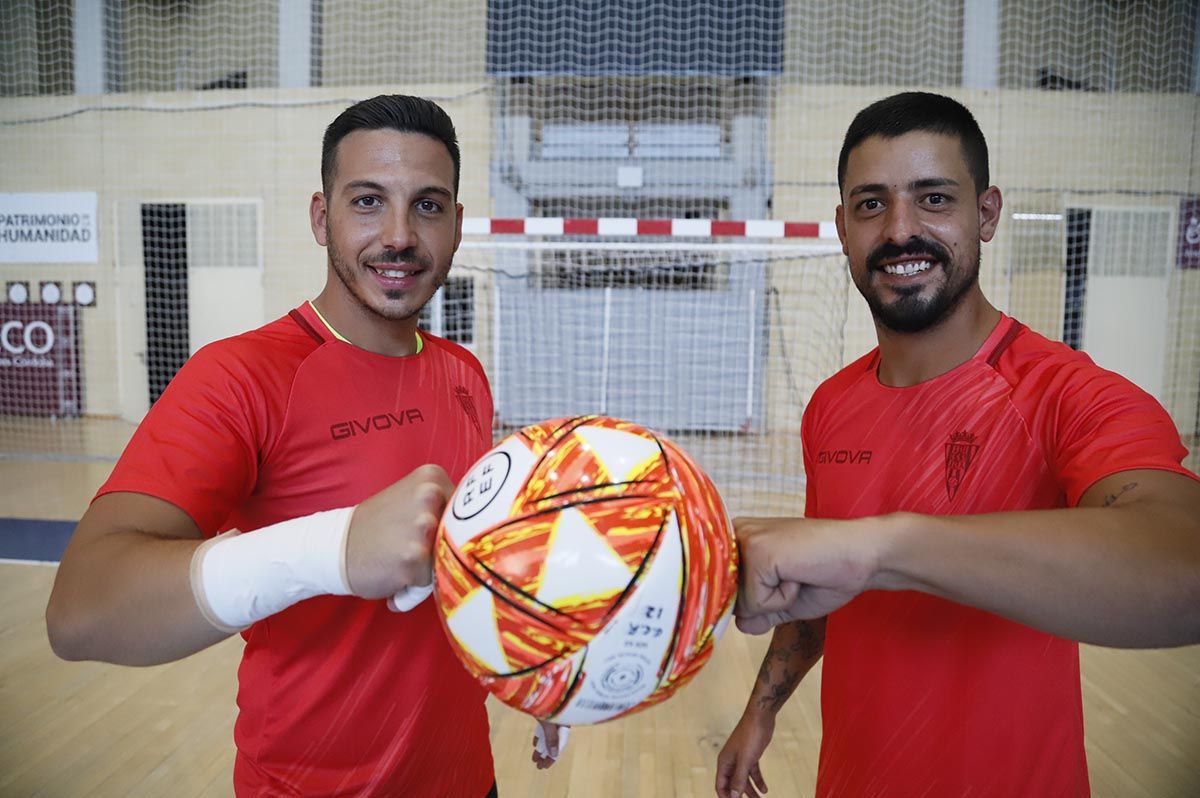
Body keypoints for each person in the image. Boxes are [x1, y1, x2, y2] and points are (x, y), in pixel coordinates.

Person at [45, 94, 558, 796]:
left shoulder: (462, 373)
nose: (400, 235)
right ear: (323, 218)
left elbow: (460, 570)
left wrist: (534, 663)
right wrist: (334, 548)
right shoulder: (242, 377)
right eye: (369, 202)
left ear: (458, 225)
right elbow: (82, 610)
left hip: (467, 778)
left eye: (428, 206)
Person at [715, 92, 1200, 798]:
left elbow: (1185, 570)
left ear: (988, 213)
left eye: (934, 198)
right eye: (871, 204)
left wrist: (884, 549)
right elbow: (824, 590)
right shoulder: (830, 406)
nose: (900, 230)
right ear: (844, 228)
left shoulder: (1064, 394)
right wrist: (759, 712)